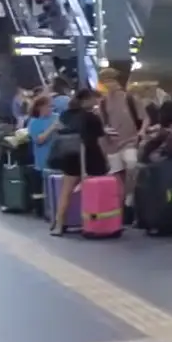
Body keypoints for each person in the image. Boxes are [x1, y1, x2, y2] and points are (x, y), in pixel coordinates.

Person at [49, 89, 107, 235]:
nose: (96, 101)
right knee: (96, 190)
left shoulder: (65, 115)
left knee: (65, 192)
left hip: (70, 156)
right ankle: (95, 223)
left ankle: (59, 224)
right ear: (86, 100)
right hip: (92, 157)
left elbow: (60, 130)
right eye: (94, 98)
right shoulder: (92, 117)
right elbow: (100, 138)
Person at [97, 68, 142, 208]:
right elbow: (101, 123)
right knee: (116, 174)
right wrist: (105, 129)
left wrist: (142, 132)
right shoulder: (103, 102)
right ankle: (122, 206)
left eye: (109, 81)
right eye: (105, 82)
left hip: (130, 141)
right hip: (111, 144)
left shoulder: (130, 98)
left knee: (132, 164)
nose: (108, 85)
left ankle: (129, 196)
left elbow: (144, 118)